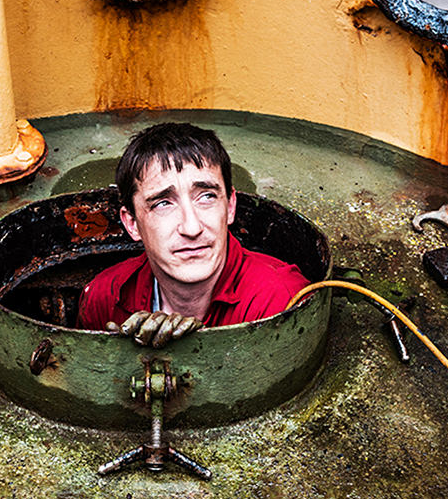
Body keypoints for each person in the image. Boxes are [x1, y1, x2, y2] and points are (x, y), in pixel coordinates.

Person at [78, 123, 310, 345]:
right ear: (132, 224)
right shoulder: (105, 296)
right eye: (162, 203)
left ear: (230, 207)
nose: (192, 228)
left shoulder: (281, 301)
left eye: (206, 196)